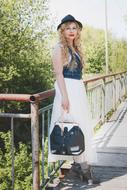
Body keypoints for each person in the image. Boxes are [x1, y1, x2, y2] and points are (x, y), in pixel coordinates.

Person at [48, 14, 99, 185]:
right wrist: (65, 97)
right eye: (68, 28)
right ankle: (83, 168)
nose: (71, 31)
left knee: (81, 127)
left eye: (74, 28)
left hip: (77, 89)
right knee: (73, 126)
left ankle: (80, 165)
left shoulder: (75, 49)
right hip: (67, 90)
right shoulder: (59, 48)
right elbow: (58, 74)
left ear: (78, 31)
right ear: (63, 31)